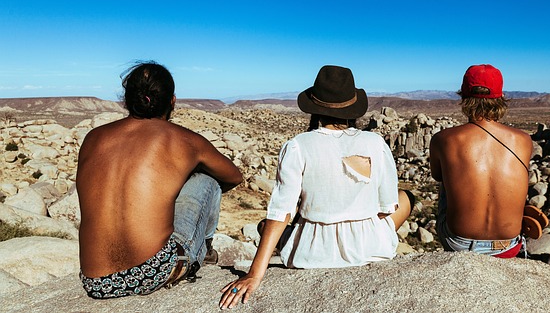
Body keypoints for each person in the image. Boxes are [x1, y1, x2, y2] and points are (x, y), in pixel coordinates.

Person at [219, 65, 414, 309]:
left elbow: (281, 212)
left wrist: (255, 273)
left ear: (314, 108)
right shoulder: (375, 143)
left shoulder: (298, 146)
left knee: (263, 225)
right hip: (370, 247)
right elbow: (387, 207)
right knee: (405, 197)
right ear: (352, 108)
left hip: (313, 252)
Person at [77, 62, 243, 298]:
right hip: (152, 272)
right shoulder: (184, 140)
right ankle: (203, 252)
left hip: (95, 282)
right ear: (172, 101)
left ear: (127, 99)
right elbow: (233, 177)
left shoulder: (93, 138)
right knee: (207, 181)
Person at [430, 64, 532, 258]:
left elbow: (437, 176)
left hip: (459, 243)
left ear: (464, 97)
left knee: (446, 181)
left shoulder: (443, 139)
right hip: (509, 246)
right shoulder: (524, 140)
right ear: (501, 97)